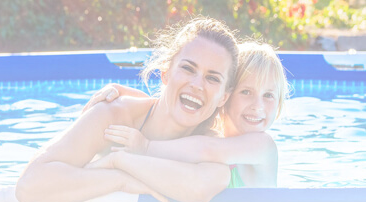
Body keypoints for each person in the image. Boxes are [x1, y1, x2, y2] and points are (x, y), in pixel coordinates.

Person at [15, 16, 240, 202]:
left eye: (212, 78)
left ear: (224, 97)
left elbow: (200, 189)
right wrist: (119, 179)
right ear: (165, 73)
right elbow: (29, 186)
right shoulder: (115, 116)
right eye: (188, 68)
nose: (197, 85)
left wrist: (122, 161)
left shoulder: (210, 145)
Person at [84, 40, 290, 188]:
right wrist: (122, 92)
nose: (258, 105)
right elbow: (163, 108)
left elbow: (207, 150)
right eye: (246, 92)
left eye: (269, 95)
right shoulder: (208, 133)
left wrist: (146, 147)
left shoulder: (263, 146)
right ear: (224, 96)